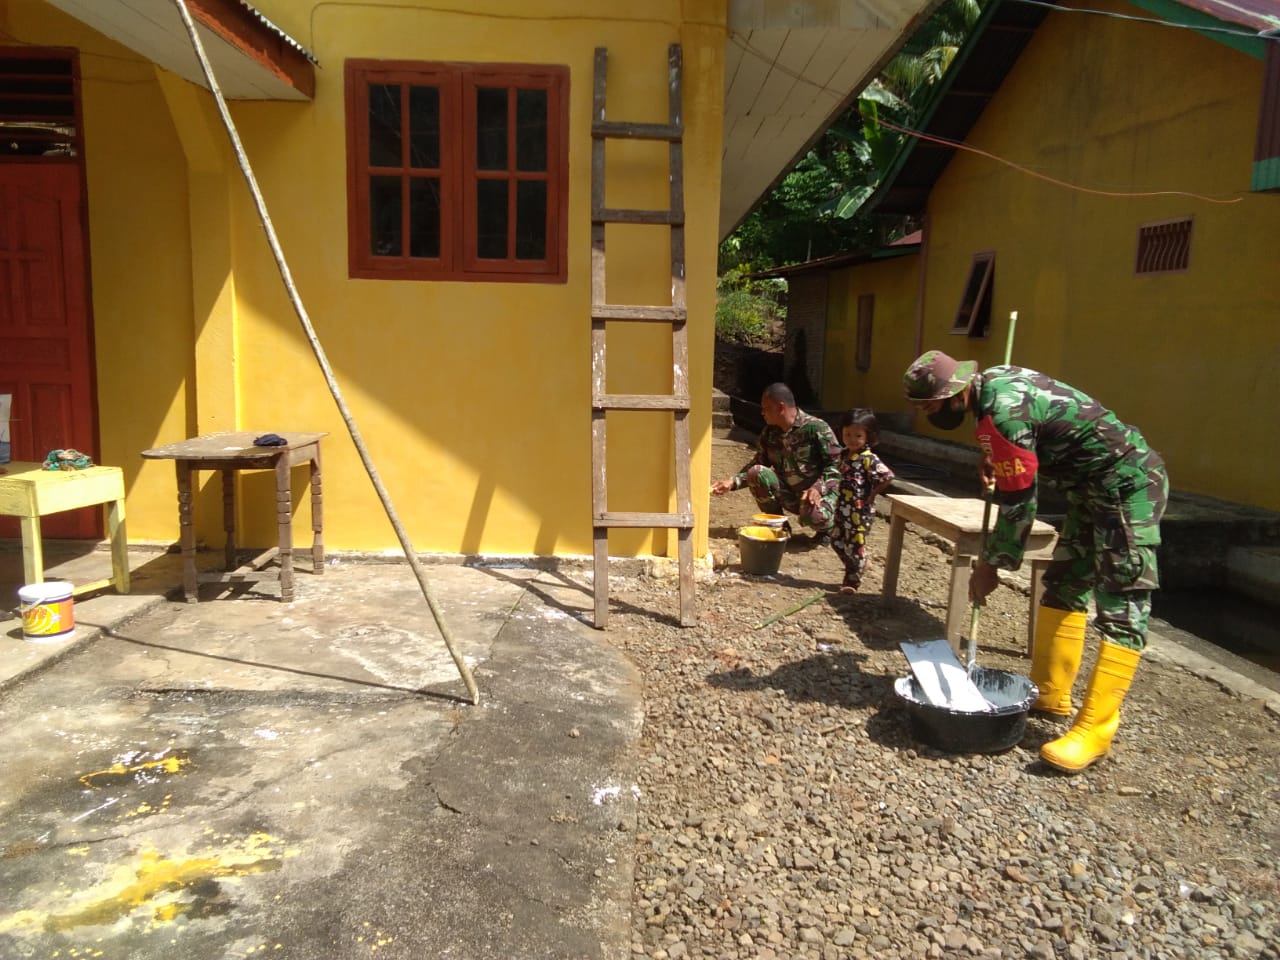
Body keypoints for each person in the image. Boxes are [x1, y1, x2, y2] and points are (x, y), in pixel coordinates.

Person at [903, 350, 1168, 773]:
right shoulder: (991, 389)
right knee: (1064, 584)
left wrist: (990, 564)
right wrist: (994, 456)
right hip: (1088, 489)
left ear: (955, 394)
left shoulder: (1004, 412)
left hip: (1127, 484)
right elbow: (1026, 440)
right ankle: (1051, 692)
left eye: (930, 407)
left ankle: (1096, 729)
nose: (927, 414)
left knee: (1123, 600)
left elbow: (1020, 505)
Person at [710, 382, 842, 542]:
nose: (762, 413)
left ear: (780, 407)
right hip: (791, 494)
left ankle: (828, 528)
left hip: (818, 496)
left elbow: (836, 465)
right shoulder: (770, 433)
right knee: (757, 473)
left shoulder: (816, 428)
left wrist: (817, 488)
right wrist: (732, 482)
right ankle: (778, 525)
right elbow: (758, 462)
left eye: (766, 408)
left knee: (813, 516)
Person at [830, 408, 895, 593]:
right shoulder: (844, 455)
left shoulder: (869, 459)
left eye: (857, 435)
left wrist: (872, 495)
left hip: (859, 512)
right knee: (836, 541)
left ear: (868, 436)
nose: (852, 439)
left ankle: (851, 582)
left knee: (855, 546)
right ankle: (860, 564)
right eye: (847, 434)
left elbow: (887, 476)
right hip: (842, 508)